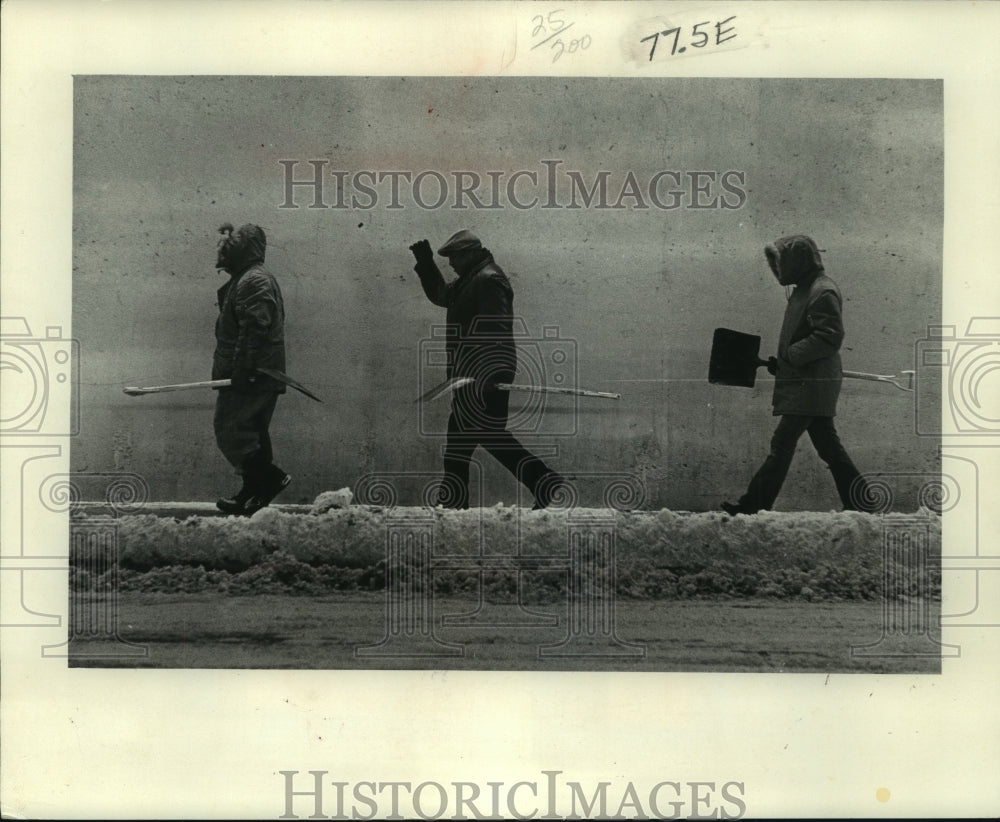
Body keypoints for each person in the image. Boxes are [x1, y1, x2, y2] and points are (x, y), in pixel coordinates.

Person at [409, 230, 564, 509]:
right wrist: (425, 263)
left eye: (453, 258)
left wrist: (485, 377)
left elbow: (496, 330)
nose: (451, 264)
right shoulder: (473, 279)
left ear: (469, 254)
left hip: (482, 376)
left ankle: (540, 480)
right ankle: (456, 502)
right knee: (465, 441)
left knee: (482, 436)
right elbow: (442, 295)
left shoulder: (489, 279)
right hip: (471, 375)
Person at [722, 235, 873, 515]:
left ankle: (753, 506)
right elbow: (806, 337)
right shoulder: (806, 289)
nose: (779, 269)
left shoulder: (821, 291)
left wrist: (791, 356)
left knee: (782, 443)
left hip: (811, 386)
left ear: (798, 261)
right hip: (809, 383)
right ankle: (863, 503)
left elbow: (830, 337)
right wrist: (783, 363)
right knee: (828, 447)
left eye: (782, 262)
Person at [212, 222, 291, 516]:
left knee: (230, 429)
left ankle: (271, 479)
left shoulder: (253, 281)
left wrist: (243, 370)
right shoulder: (247, 279)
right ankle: (252, 495)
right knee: (252, 433)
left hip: (251, 374)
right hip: (253, 372)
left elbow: (256, 328)